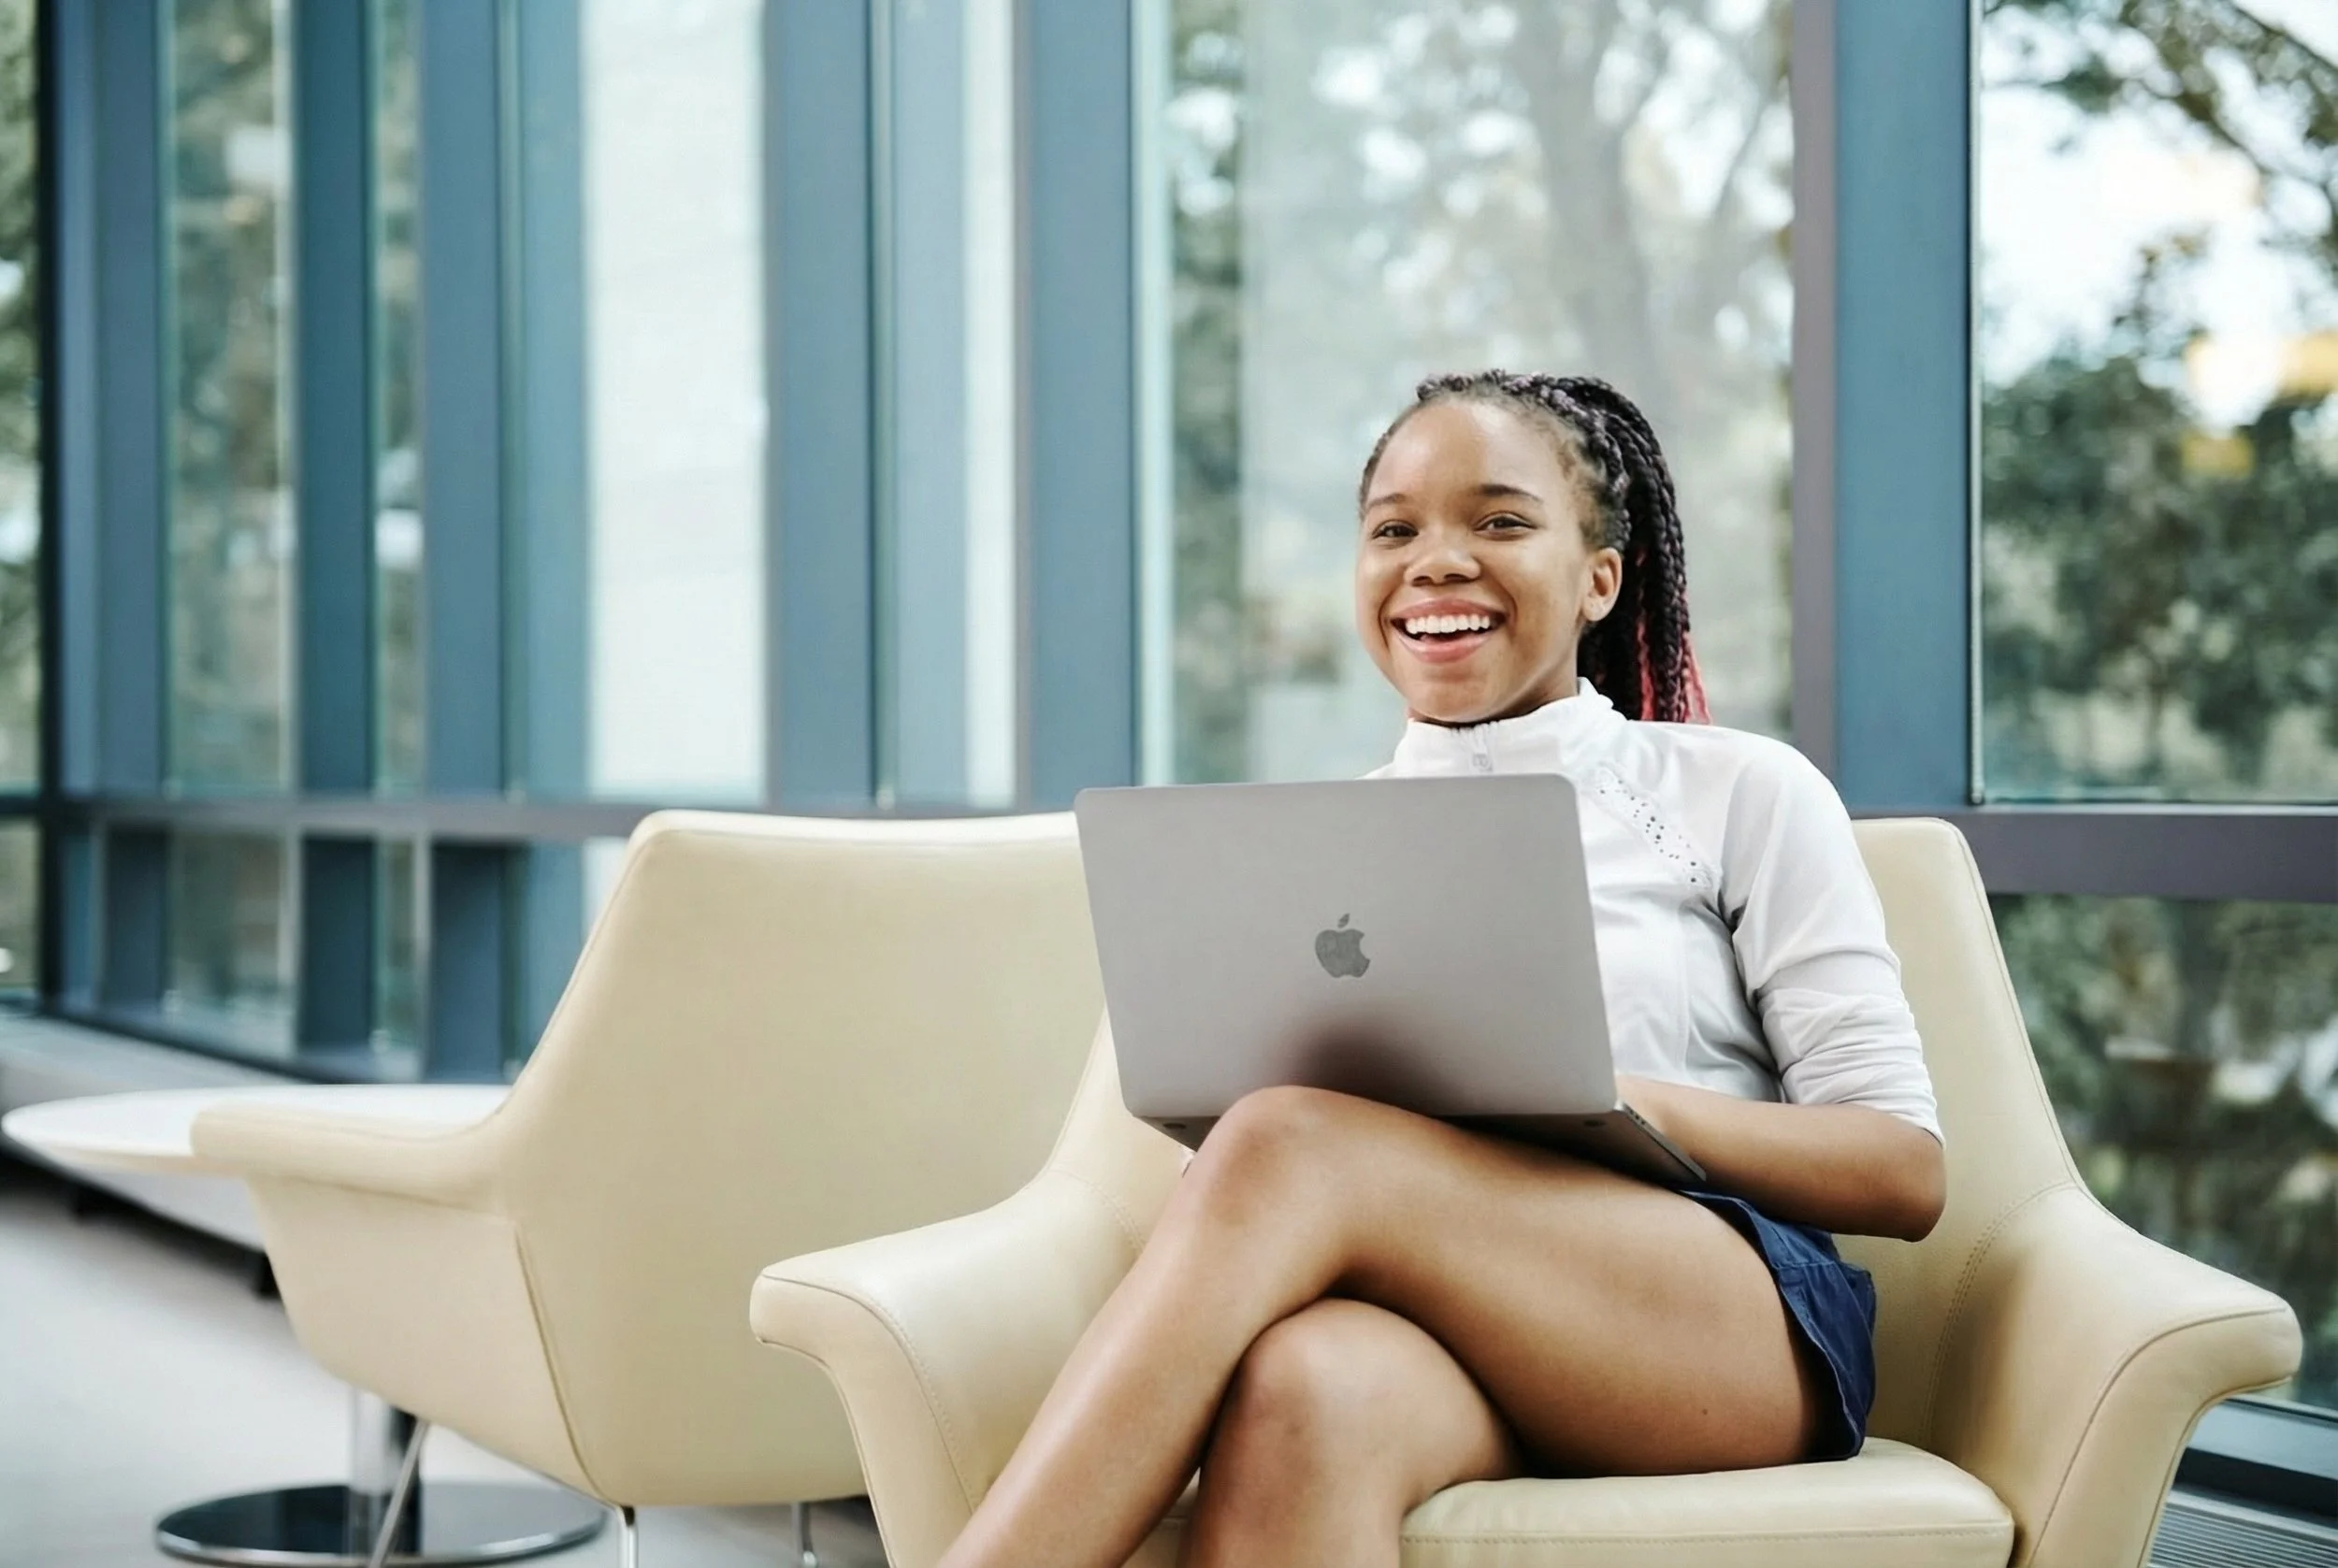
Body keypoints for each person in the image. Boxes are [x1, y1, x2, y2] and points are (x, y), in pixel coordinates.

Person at [937, 371, 1946, 1568]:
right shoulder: (1310, 859)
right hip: (1438, 1328)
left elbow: (1903, 1172)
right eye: (1393, 530)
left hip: (1723, 1324)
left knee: (1285, 1140)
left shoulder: (1735, 791)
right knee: (1306, 1386)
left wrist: (1619, 1100)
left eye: (1501, 521)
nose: (1436, 561)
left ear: (1598, 580)